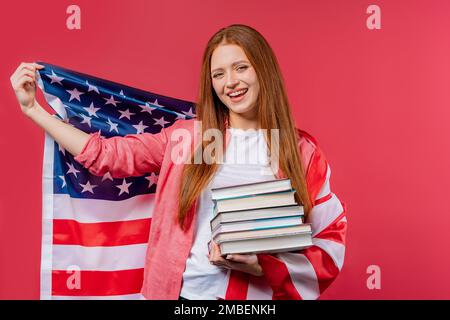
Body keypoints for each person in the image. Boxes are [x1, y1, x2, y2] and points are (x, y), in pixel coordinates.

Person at [10, 24, 347, 300]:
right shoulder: (188, 138)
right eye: (218, 74)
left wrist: (261, 267)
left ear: (264, 70)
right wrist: (33, 110)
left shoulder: (302, 151)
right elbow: (108, 156)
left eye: (241, 67)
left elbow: (329, 241)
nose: (230, 82)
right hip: (180, 297)